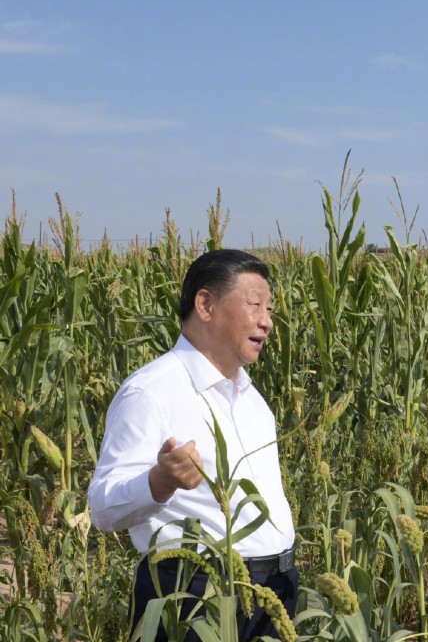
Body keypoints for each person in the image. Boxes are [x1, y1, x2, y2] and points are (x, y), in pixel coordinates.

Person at [88, 249, 296, 640]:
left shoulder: (253, 399)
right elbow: (102, 508)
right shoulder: (151, 392)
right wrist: (159, 481)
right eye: (255, 305)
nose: (267, 322)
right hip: (195, 595)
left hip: (274, 592)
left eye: (269, 309)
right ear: (206, 305)